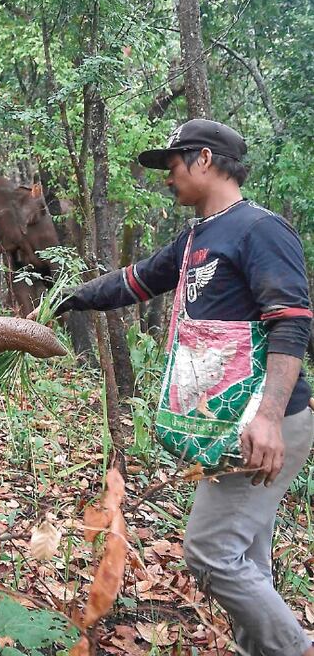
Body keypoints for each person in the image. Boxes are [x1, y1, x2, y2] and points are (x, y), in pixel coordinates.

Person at [38, 119, 314, 656]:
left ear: (204, 160)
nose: (168, 178)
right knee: (246, 560)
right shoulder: (195, 238)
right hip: (228, 424)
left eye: (173, 165)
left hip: (262, 423)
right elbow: (132, 282)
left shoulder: (261, 230)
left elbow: (291, 322)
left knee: (211, 554)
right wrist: (68, 298)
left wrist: (269, 416)